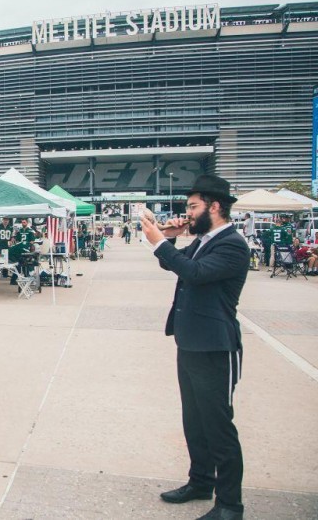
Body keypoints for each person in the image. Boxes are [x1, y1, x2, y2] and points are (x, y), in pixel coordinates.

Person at [140, 174, 249, 520]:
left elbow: (196, 273)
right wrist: (168, 239)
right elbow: (176, 263)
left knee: (218, 426)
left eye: (192, 206)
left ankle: (230, 504)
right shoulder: (205, 240)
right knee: (194, 421)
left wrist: (160, 242)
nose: (187, 213)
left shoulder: (231, 243)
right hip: (190, 342)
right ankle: (200, 481)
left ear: (214, 207)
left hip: (215, 346)